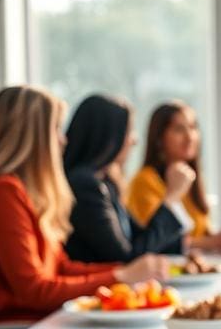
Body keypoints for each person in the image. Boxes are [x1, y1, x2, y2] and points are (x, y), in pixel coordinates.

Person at [0, 85, 167, 326]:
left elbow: (60, 267)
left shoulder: (19, 191)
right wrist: (120, 276)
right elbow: (35, 291)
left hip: (41, 323)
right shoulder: (2, 193)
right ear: (32, 137)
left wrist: (124, 273)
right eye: (55, 129)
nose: (63, 140)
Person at [62, 94, 191, 262]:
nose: (134, 140)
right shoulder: (85, 185)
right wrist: (171, 198)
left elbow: (137, 238)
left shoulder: (106, 182)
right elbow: (126, 258)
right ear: (109, 137)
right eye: (128, 131)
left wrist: (185, 248)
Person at [126, 101, 221, 253]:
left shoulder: (191, 179)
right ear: (159, 138)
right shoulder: (145, 181)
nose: (190, 136)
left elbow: (200, 229)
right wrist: (208, 243)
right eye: (179, 129)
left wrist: (219, 238)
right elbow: (155, 239)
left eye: (193, 127)